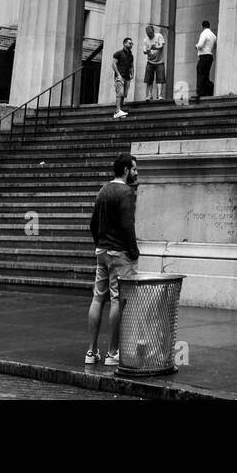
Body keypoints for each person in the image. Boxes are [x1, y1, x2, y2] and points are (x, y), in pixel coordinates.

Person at [86, 154, 139, 367]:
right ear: (125, 170)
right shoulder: (127, 193)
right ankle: (112, 353)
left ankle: (91, 352)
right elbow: (128, 227)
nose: (136, 172)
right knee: (118, 300)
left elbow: (92, 224)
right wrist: (134, 251)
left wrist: (100, 244)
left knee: (98, 298)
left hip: (102, 252)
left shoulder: (103, 190)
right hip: (119, 254)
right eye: (134, 169)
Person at [142, 25, 167, 101]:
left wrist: (155, 47)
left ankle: (159, 95)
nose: (149, 35)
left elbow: (162, 45)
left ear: (153, 32)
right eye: (148, 33)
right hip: (150, 62)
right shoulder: (145, 40)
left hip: (159, 61)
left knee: (160, 79)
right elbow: (144, 51)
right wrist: (148, 50)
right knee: (149, 79)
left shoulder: (158, 36)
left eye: (150, 33)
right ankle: (149, 95)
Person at [112, 37, 134, 118]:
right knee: (119, 94)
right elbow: (113, 64)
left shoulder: (131, 55)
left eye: (132, 43)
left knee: (124, 95)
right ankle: (117, 111)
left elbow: (131, 65)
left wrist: (132, 73)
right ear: (124, 43)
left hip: (127, 77)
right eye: (130, 43)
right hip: (120, 76)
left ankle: (119, 111)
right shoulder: (118, 53)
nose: (131, 45)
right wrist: (118, 74)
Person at [196, 20, 216, 97]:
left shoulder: (204, 33)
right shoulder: (213, 35)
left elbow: (200, 45)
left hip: (203, 55)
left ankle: (200, 91)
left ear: (202, 26)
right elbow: (215, 46)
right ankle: (207, 91)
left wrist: (196, 46)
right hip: (210, 56)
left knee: (200, 73)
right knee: (206, 74)